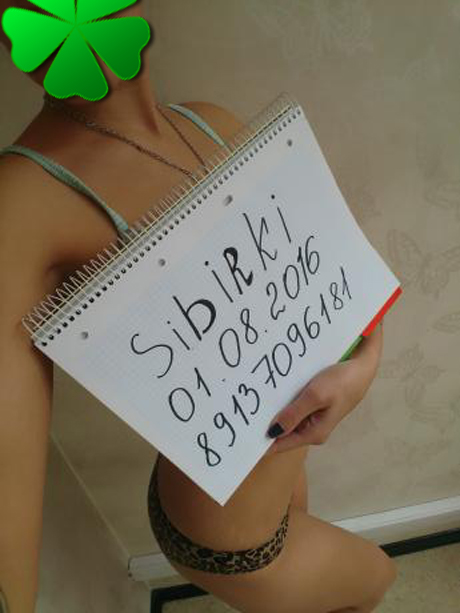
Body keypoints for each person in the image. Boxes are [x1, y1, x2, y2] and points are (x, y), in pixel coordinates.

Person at [0, 1, 397, 611]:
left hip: (281, 458)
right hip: (225, 532)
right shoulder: (22, 202)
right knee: (376, 578)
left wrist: (363, 368)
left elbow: (329, 275)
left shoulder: (212, 122)